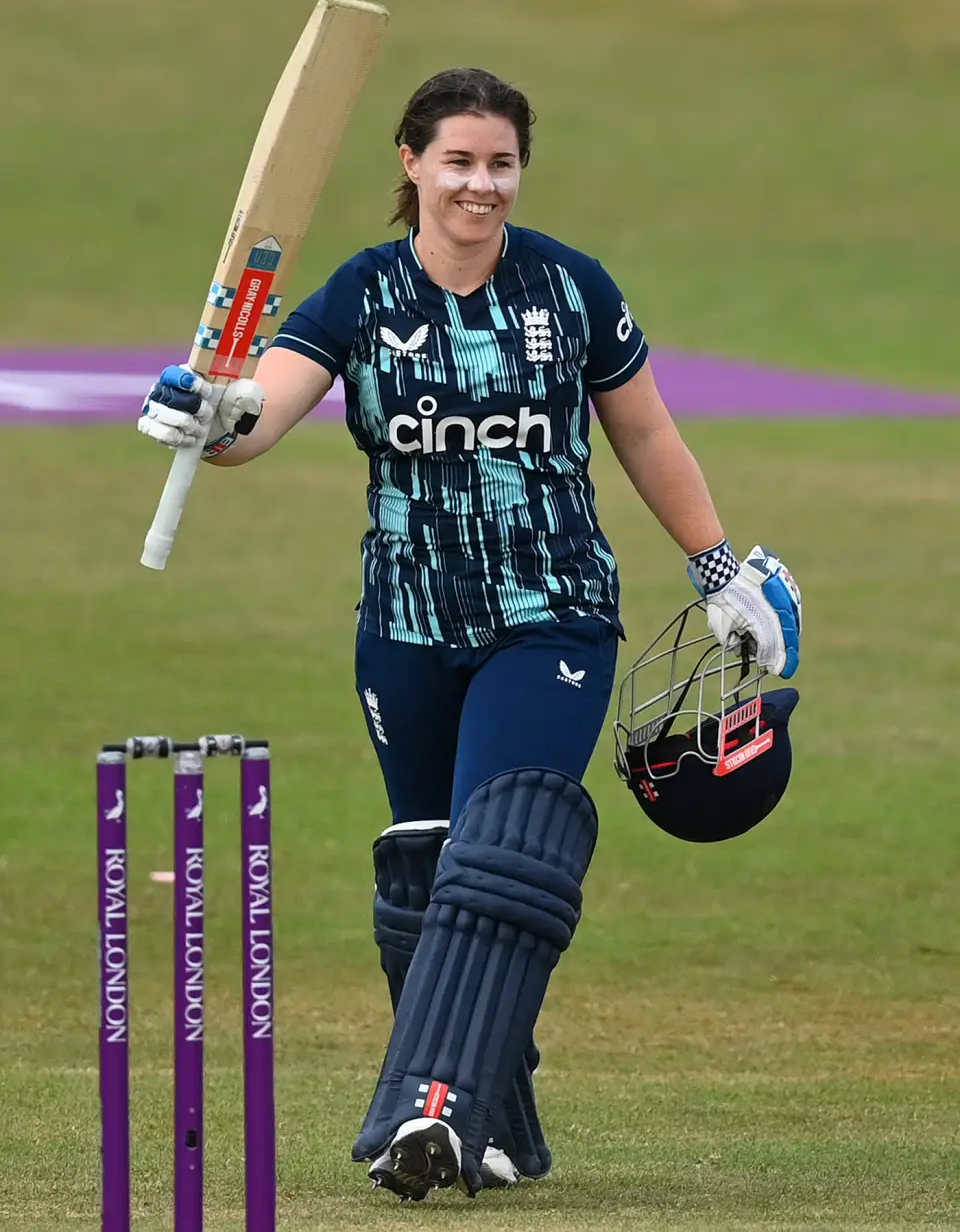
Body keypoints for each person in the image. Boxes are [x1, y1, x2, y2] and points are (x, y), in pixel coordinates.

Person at [138, 67, 801, 1200]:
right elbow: (265, 415)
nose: (479, 184)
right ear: (412, 163)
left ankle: (425, 1110)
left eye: (499, 163)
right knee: (428, 873)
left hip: (553, 611)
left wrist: (715, 564)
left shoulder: (570, 289)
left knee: (505, 852)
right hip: (404, 623)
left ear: (519, 170)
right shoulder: (363, 293)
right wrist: (208, 414)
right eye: (457, 160)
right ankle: (494, 1123)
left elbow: (644, 432)